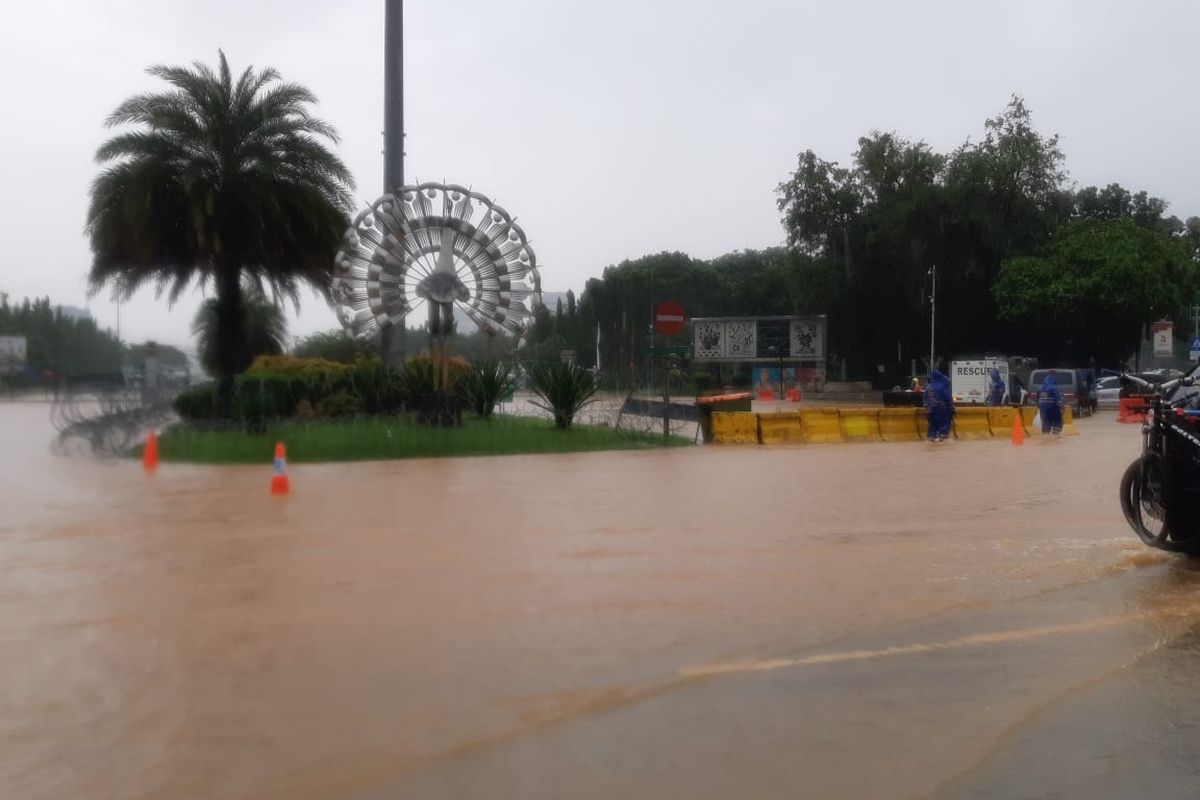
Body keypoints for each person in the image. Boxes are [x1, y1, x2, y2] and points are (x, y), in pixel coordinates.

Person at [924, 369, 954, 441]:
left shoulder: (928, 387)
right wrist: (951, 407)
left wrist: (927, 409)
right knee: (943, 424)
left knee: (932, 424)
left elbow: (925, 399)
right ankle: (942, 438)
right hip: (941, 408)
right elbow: (947, 398)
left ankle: (931, 437)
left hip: (931, 409)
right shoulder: (943, 386)